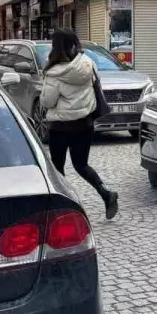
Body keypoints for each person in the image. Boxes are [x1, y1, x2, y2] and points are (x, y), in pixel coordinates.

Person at [40, 29, 119, 220]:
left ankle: (63, 208)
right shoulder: (88, 64)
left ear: (56, 47)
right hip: (84, 125)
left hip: (60, 128)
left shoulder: (54, 73)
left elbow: (47, 102)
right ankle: (106, 194)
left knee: (57, 168)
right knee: (81, 164)